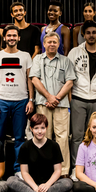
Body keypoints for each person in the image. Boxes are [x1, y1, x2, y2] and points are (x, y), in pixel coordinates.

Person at [0, 25, 34, 175]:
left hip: (21, 100)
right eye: (9, 36)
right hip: (1, 100)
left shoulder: (26, 56)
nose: (12, 38)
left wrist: (31, 99)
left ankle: (18, 170)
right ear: (4, 37)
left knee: (20, 137)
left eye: (14, 35)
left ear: (19, 38)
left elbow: (29, 79)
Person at [30, 32, 76, 177]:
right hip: (43, 104)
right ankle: (46, 169)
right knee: (43, 135)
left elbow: (70, 82)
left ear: (59, 44)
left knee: (62, 137)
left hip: (61, 104)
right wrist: (49, 97)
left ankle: (63, 171)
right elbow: (35, 80)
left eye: (54, 42)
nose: (51, 44)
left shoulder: (66, 61)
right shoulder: (37, 59)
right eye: (49, 42)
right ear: (44, 44)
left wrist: (56, 98)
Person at [67, 20, 96, 178]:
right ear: (83, 34)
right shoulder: (74, 52)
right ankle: (76, 169)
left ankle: (93, 168)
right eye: (88, 33)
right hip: (79, 98)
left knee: (95, 136)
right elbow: (69, 78)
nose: (91, 35)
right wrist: (71, 101)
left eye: (94, 32)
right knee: (77, 136)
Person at [7, 114, 73, 192]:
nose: (39, 131)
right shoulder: (25, 147)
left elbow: (58, 171)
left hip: (49, 185)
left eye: (42, 128)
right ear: (31, 129)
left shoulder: (54, 146)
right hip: (31, 185)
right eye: (36, 128)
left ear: (47, 128)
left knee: (68, 183)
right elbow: (24, 172)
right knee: (11, 180)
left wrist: (47, 185)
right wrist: (35, 188)